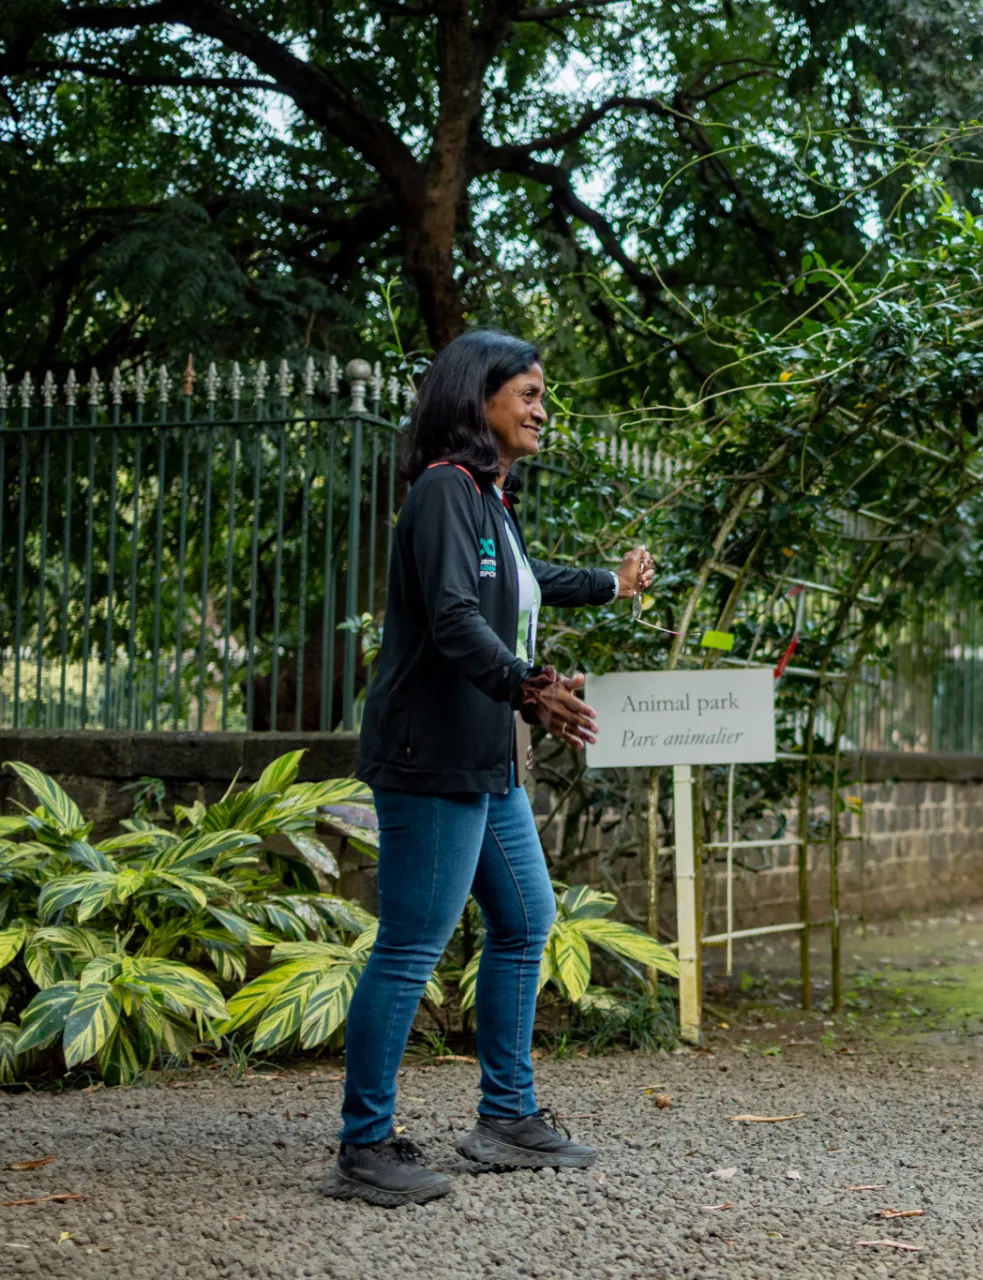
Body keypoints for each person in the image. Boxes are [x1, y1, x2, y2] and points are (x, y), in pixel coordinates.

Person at [326, 329, 657, 1208]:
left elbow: (522, 582)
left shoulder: (488, 500)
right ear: (479, 400)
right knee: (409, 947)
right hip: (431, 755)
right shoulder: (443, 491)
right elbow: (453, 618)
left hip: (485, 753)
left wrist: (612, 587)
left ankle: (506, 1118)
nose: (542, 409)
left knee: (524, 919)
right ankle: (364, 1146)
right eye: (530, 394)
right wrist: (531, 685)